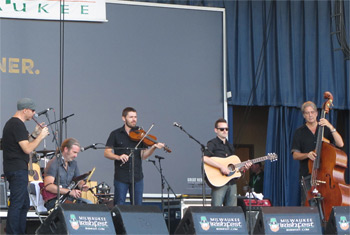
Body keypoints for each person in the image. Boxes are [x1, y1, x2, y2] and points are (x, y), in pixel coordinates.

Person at [2, 98, 49, 234]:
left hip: (16, 168)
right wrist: (41, 136)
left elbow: (23, 143)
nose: (34, 114)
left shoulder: (14, 124)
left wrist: (34, 134)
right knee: (17, 205)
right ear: (25, 110)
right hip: (17, 170)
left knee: (24, 204)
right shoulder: (17, 124)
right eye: (32, 111)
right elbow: (27, 149)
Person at [104, 107, 165, 205]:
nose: (134, 119)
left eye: (135, 117)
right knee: (119, 205)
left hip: (137, 177)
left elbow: (143, 156)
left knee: (138, 206)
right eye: (131, 117)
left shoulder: (141, 134)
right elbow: (107, 152)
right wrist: (118, 157)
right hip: (121, 177)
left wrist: (153, 147)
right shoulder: (115, 134)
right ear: (124, 118)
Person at [291, 101, 344, 206]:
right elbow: (295, 155)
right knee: (308, 207)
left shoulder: (325, 128)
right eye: (307, 113)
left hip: (326, 176)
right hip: (308, 176)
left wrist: (330, 126)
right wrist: (307, 155)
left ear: (316, 113)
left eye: (312, 112)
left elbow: (340, 144)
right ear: (304, 115)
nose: (310, 115)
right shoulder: (299, 132)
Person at [203, 118, 252, 206]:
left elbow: (234, 168)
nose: (225, 131)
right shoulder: (212, 143)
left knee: (232, 211)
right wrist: (221, 167)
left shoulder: (230, 146)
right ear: (216, 130)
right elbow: (205, 158)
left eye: (226, 129)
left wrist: (244, 168)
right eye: (222, 129)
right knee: (216, 209)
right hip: (219, 182)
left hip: (231, 182)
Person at [43, 138, 90, 211]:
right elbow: (48, 186)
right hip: (55, 200)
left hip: (70, 199)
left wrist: (82, 185)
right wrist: (69, 192)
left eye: (77, 153)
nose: (76, 155)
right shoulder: (53, 163)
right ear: (65, 149)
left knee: (89, 204)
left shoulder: (73, 164)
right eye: (74, 152)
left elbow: (78, 180)